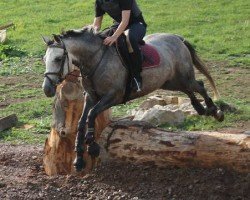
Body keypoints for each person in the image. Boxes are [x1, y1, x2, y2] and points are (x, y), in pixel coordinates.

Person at [93, 0, 147, 92]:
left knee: (130, 39)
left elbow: (125, 21)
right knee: (103, 38)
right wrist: (91, 33)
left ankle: (136, 77)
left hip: (136, 24)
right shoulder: (99, 1)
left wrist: (114, 37)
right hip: (118, 25)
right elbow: (97, 24)